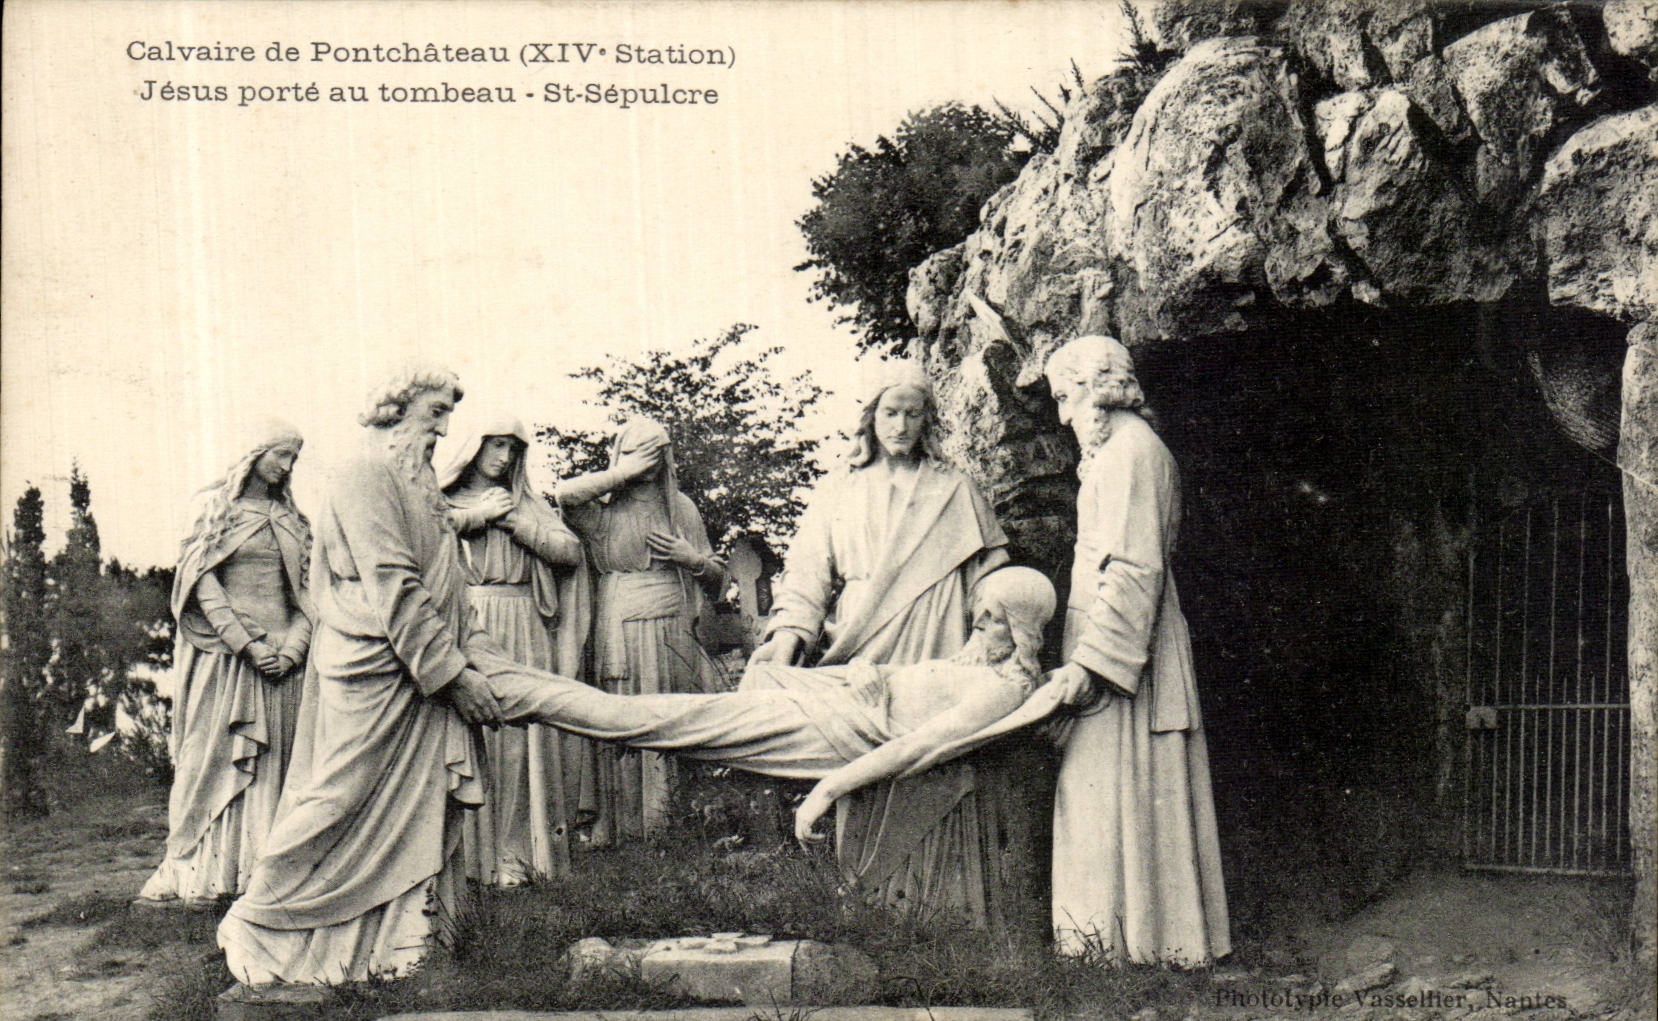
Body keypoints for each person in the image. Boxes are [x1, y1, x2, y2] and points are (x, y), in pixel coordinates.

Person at [487, 566, 1057, 847]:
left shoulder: (1000, 690)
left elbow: (915, 748)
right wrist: (866, 678)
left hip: (830, 730)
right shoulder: (974, 664)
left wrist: (826, 792)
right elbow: (896, 682)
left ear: (1025, 627)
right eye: (980, 610)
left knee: (650, 719)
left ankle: (510, 690)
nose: (979, 622)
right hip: (834, 696)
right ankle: (507, 677)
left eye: (996, 616)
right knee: (662, 712)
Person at [747, 360, 1014, 926]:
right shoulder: (839, 489)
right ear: (870, 419)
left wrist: (989, 630)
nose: (899, 424)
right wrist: (789, 635)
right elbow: (808, 574)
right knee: (867, 747)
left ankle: (945, 908)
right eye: (889, 412)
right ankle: (866, 906)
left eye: (911, 414)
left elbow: (993, 569)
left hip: (938, 627)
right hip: (864, 633)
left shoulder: (954, 488)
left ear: (926, 421)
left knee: (934, 752)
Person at [1043, 335, 1230, 966]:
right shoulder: (1117, 453)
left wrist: (1092, 665)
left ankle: (1135, 947)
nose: (1062, 412)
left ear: (1092, 390)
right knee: (1106, 792)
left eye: (1064, 396)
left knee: (1113, 791)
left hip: (1125, 649)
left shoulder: (1131, 454)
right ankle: (1124, 945)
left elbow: (1133, 566)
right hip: (1113, 635)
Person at [138, 419, 313, 907]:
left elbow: (308, 594)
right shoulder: (215, 513)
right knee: (209, 762)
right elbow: (202, 589)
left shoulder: (296, 521)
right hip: (226, 659)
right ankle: (204, 874)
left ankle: (264, 878)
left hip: (284, 663)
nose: (287, 466)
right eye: (281, 454)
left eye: (294, 458)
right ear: (253, 453)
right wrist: (249, 645)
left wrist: (294, 648)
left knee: (276, 769)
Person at [438, 413, 594, 885]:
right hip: (470, 622)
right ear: (474, 446)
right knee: (481, 737)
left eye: (512, 449)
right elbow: (428, 535)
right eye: (496, 446)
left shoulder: (527, 503)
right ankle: (474, 858)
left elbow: (569, 553)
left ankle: (524, 856)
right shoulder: (443, 501)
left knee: (524, 743)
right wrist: (476, 516)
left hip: (525, 625)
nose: (504, 458)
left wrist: (514, 522)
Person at [555, 418, 727, 842]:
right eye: (638, 453)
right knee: (623, 717)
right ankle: (625, 828)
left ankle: (670, 823)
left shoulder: (680, 508)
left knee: (669, 716)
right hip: (619, 628)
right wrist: (622, 472)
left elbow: (718, 579)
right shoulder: (603, 513)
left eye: (656, 453)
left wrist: (694, 560)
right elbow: (565, 495)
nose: (649, 463)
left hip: (670, 627)